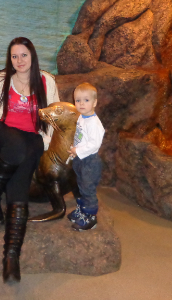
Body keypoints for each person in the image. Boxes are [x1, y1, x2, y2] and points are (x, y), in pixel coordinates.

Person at [0, 37, 59, 283]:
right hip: (1, 133)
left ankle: (11, 256)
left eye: (24, 55)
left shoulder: (47, 81)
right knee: (17, 148)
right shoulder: (1, 79)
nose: (19, 60)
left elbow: (55, 116)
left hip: (33, 138)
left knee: (21, 178)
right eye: (14, 56)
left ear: (32, 55)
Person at [66, 82, 105, 231]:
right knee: (81, 185)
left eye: (86, 100)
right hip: (80, 158)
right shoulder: (82, 117)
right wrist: (75, 149)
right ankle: (82, 210)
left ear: (94, 102)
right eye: (78, 100)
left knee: (88, 188)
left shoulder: (94, 123)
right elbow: (81, 137)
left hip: (90, 161)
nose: (81, 103)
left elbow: (94, 144)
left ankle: (90, 216)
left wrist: (78, 150)